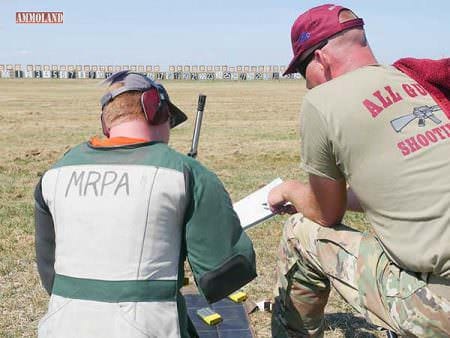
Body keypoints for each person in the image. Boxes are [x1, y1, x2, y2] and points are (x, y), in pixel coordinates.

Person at [268, 4, 450, 337]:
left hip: (440, 304)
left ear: (320, 60)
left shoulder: (321, 101)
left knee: (299, 231)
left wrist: (291, 190)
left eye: (301, 71)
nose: (305, 84)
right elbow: (394, 188)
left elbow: (326, 213)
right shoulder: (414, 82)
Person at [34, 71, 257, 338]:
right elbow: (223, 275)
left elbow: (50, 276)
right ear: (156, 110)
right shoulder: (185, 172)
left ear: (107, 123)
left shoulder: (55, 173)